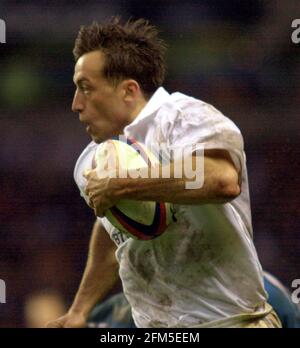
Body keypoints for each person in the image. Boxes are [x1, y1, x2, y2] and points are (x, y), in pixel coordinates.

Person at [47, 17, 281, 328]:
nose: (76, 104)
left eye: (85, 89)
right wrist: (79, 310)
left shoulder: (184, 117)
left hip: (232, 322)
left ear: (129, 91)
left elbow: (221, 179)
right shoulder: (92, 161)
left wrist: (124, 185)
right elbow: (112, 231)